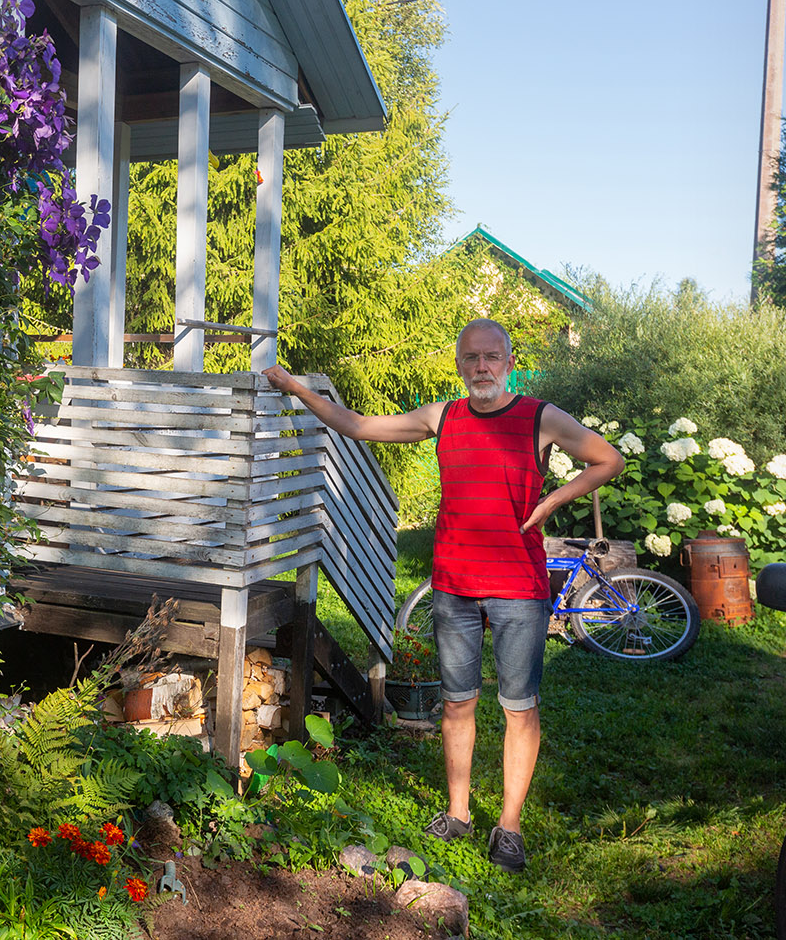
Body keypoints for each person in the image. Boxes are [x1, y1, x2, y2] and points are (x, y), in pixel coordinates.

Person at [262, 319, 623, 872]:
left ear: (508, 361)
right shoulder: (443, 416)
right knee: (456, 703)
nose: (483, 367)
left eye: (493, 357)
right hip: (453, 586)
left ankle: (509, 826)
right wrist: (298, 389)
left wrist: (552, 502)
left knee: (518, 707)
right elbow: (357, 426)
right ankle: (458, 813)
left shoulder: (539, 417)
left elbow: (609, 459)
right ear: (459, 365)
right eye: (472, 358)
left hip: (519, 591)